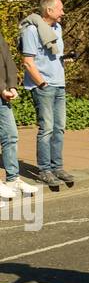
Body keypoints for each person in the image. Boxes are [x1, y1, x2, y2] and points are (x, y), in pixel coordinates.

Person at [19, 0, 73, 191]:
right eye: (60, 9)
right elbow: (28, 62)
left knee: (59, 128)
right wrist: (42, 84)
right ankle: (44, 170)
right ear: (49, 10)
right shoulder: (31, 31)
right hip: (43, 87)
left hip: (59, 84)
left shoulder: (56, 28)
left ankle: (57, 167)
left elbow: (53, 55)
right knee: (47, 129)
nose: (63, 12)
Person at [0, 30, 39, 201]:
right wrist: (2, 88)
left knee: (10, 135)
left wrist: (12, 86)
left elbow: (8, 60)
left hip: (3, 96)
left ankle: (12, 179)